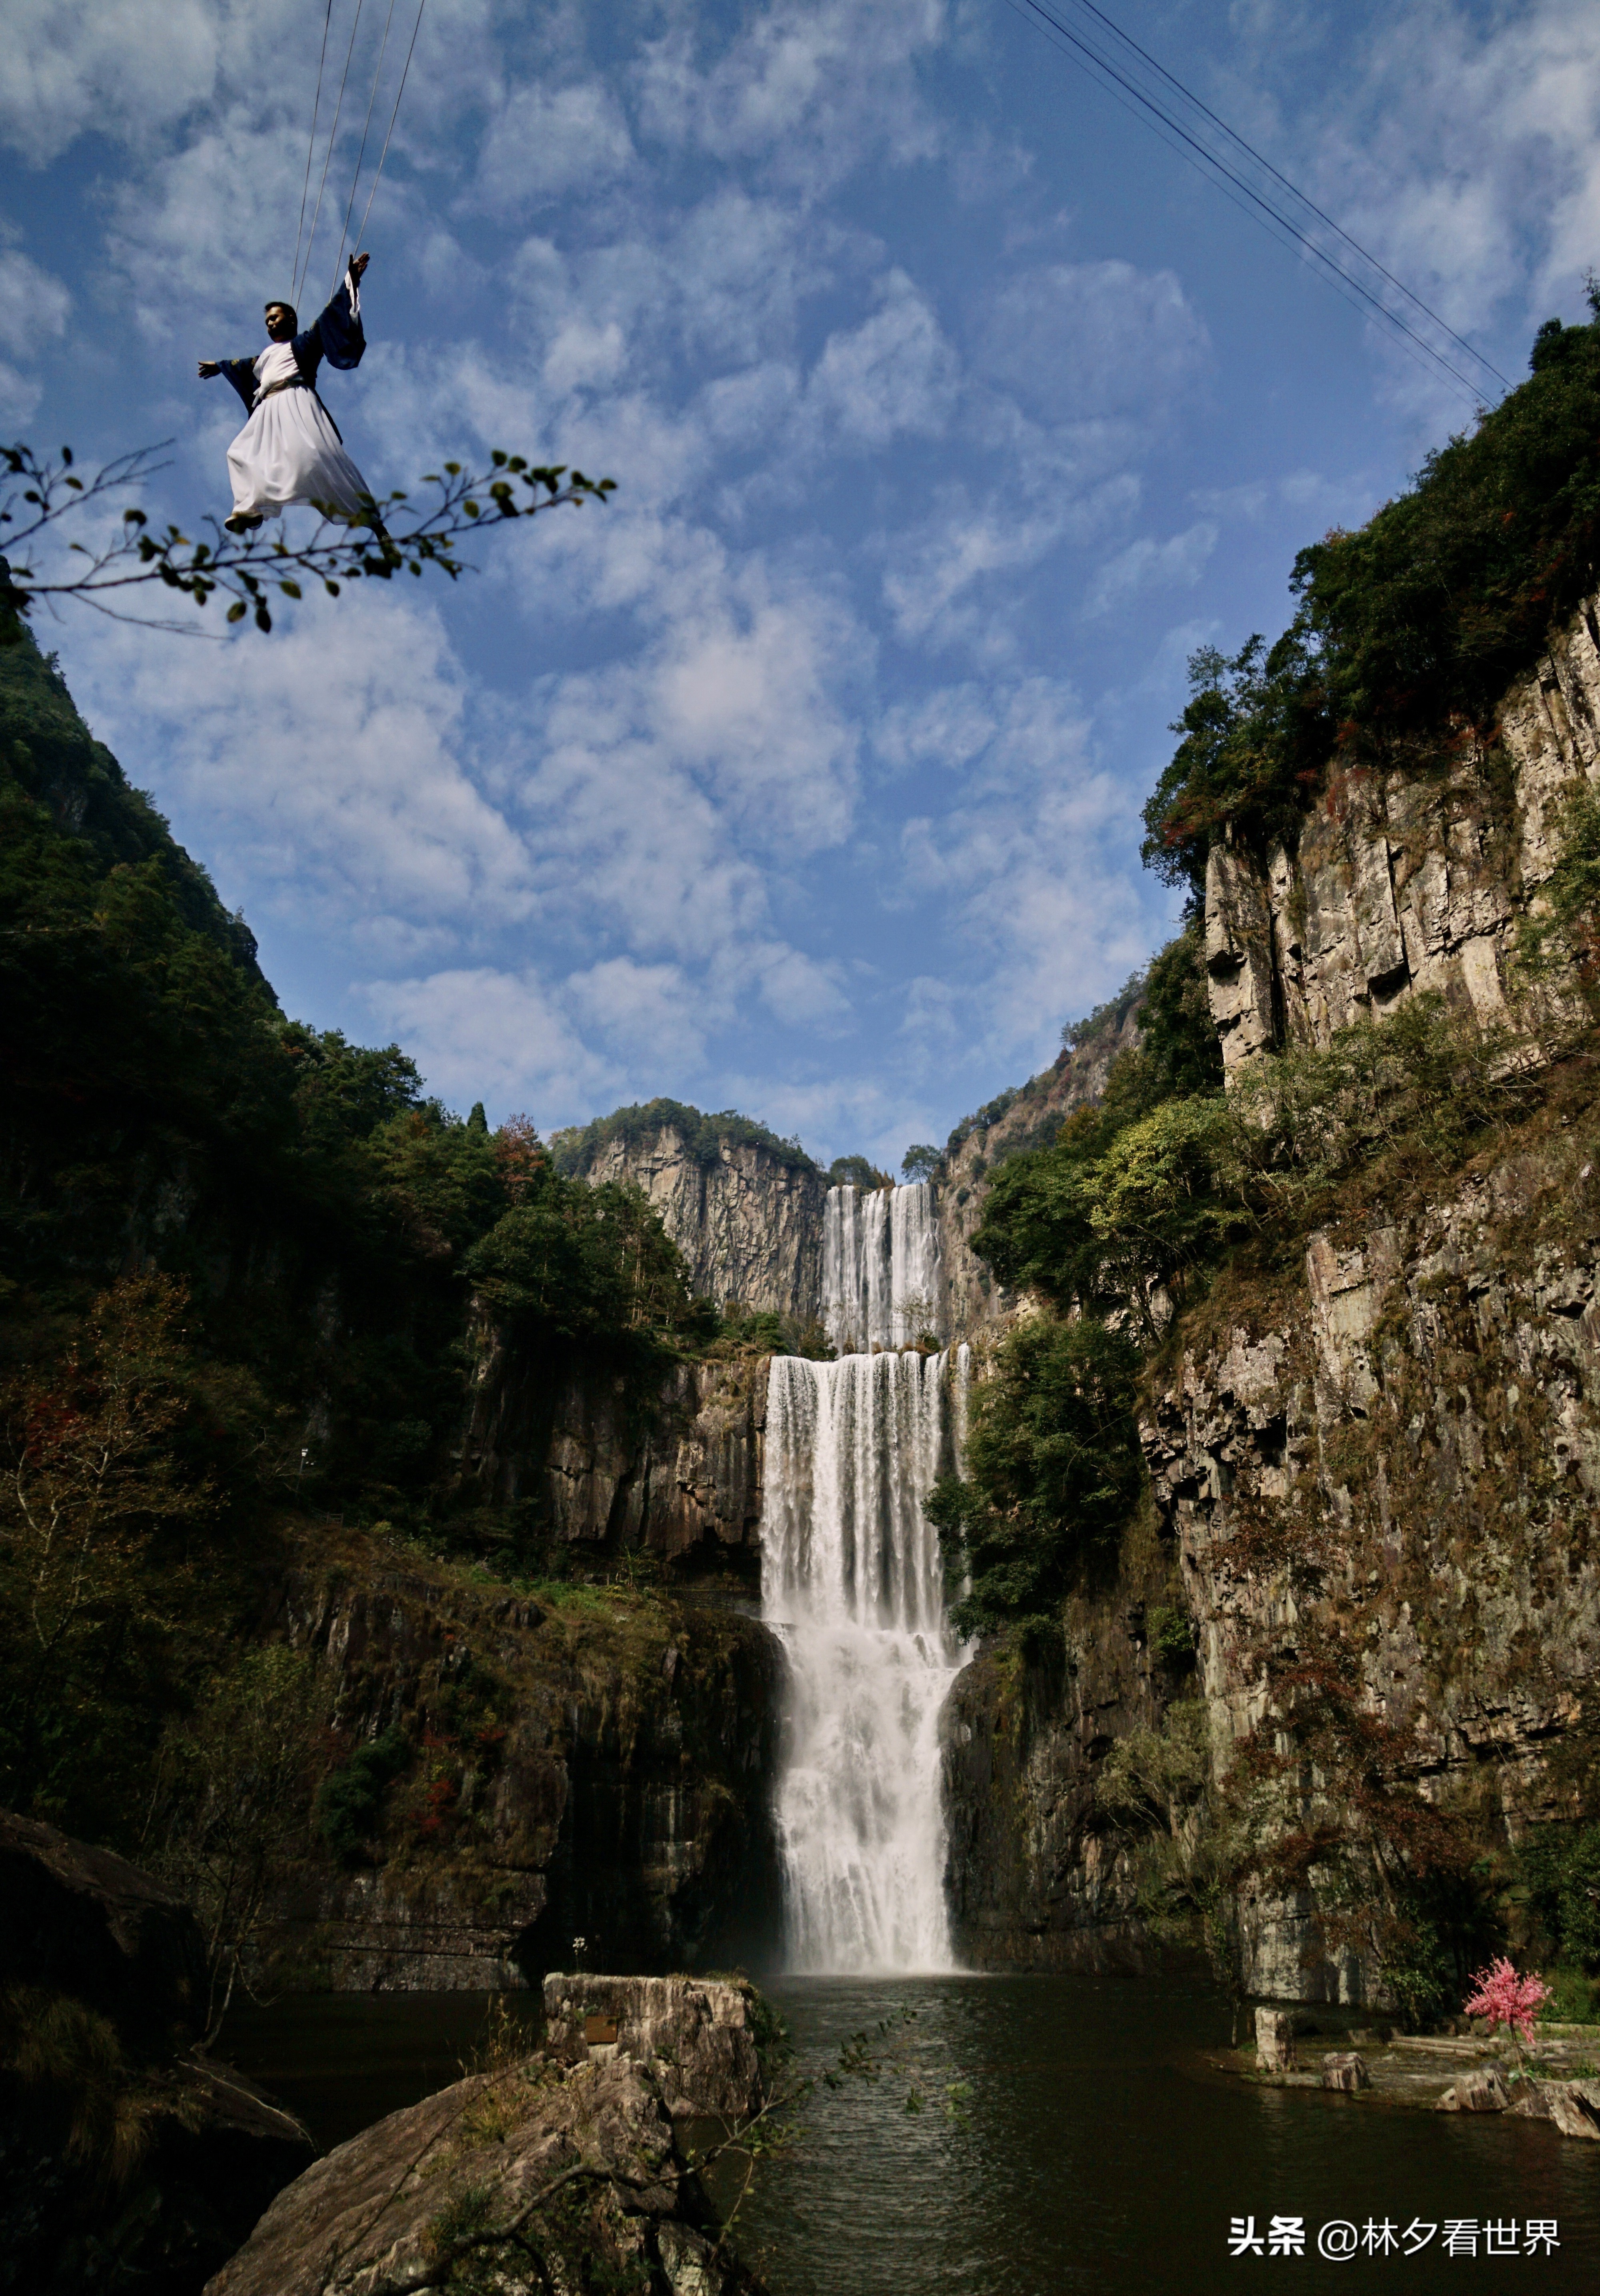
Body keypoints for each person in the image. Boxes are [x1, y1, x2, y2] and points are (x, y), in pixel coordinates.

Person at [199, 252, 378, 535]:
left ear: (291, 318)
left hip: (295, 399)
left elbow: (330, 315)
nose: (270, 324)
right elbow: (246, 366)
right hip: (267, 407)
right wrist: (220, 366)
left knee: (318, 457)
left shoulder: (304, 343)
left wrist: (351, 280)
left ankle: (372, 520)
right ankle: (250, 509)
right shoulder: (266, 356)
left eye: (275, 318)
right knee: (238, 453)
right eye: (267, 321)